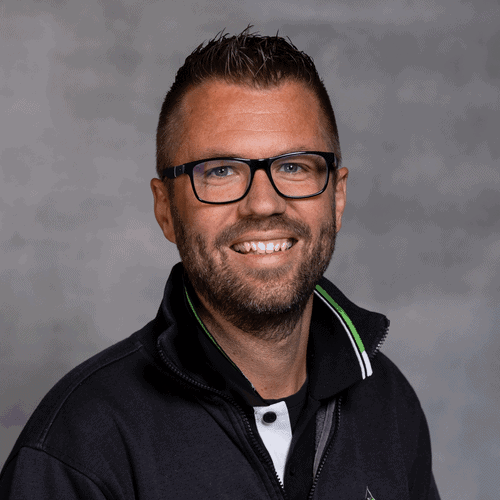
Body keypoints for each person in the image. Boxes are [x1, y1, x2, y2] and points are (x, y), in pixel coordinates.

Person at [0, 29, 440, 499]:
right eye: (221, 171)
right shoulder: (77, 450)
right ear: (165, 209)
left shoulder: (388, 404)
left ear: (337, 197)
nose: (264, 204)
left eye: (294, 166)